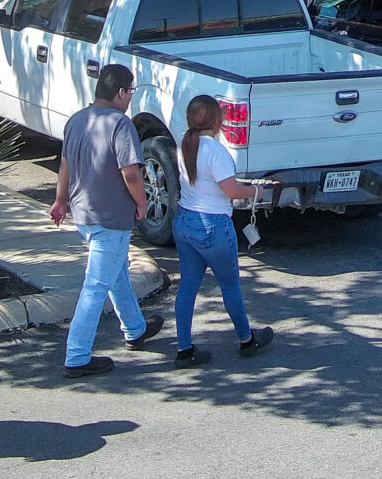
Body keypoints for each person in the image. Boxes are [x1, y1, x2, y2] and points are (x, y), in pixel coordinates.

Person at [50, 66, 159, 376]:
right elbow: (130, 172)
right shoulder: (120, 124)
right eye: (131, 92)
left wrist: (60, 200)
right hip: (111, 217)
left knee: (116, 272)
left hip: (84, 214)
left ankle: (135, 329)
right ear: (121, 92)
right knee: (96, 286)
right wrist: (142, 203)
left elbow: (65, 165)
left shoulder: (76, 120)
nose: (130, 98)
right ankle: (77, 356)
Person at [172, 94, 274, 366]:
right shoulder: (216, 151)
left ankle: (184, 349)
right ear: (216, 121)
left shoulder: (184, 143)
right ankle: (246, 339)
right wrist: (257, 190)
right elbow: (231, 191)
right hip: (213, 225)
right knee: (230, 286)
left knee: (187, 287)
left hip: (185, 220)